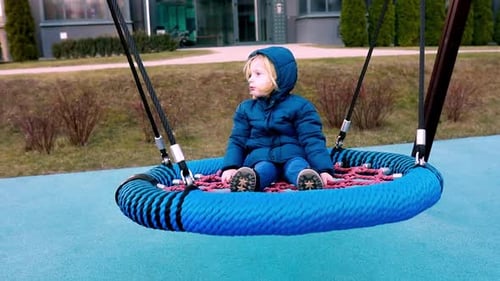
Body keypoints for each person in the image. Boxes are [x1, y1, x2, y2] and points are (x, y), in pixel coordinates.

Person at [220, 46, 335, 192]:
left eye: (257, 74)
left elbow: (312, 139)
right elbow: (237, 140)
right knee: (264, 169)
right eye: (250, 75)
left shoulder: (300, 107)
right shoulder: (246, 109)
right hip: (261, 157)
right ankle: (249, 181)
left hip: (293, 155)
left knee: (296, 167)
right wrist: (231, 167)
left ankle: (306, 180)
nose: (250, 80)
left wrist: (324, 169)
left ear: (278, 77)